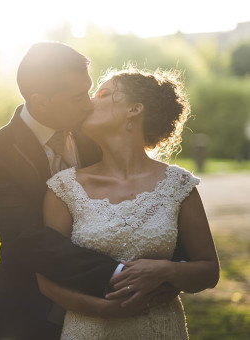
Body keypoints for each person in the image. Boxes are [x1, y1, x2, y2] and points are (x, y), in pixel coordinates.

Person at [0, 42, 181, 339]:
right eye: (78, 96)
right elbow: (28, 239)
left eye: (90, 90)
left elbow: (138, 196)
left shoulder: (96, 131)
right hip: (26, 311)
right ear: (41, 102)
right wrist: (120, 275)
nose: (89, 103)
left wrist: (168, 269)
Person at [37, 67, 220, 339]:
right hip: (88, 329)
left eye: (105, 94)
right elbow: (46, 279)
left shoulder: (178, 185)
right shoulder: (64, 188)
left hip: (159, 328)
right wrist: (101, 309)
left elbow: (209, 271)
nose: (89, 103)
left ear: (134, 110)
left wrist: (165, 270)